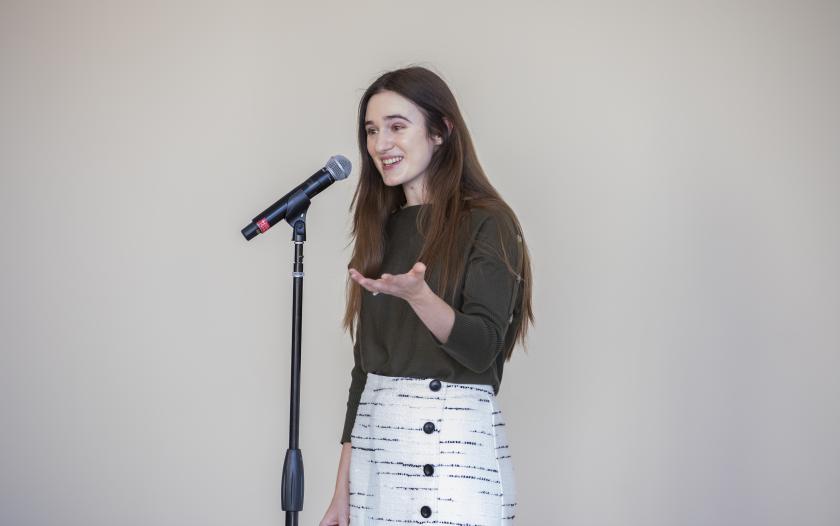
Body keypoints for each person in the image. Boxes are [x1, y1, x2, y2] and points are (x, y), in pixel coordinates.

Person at [319, 66, 534, 526]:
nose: (381, 144)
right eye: (372, 131)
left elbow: (481, 349)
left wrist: (420, 296)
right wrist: (343, 491)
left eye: (397, 126)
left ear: (440, 131)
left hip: (456, 458)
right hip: (377, 460)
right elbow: (364, 373)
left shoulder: (489, 222)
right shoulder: (380, 230)